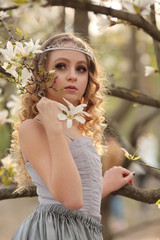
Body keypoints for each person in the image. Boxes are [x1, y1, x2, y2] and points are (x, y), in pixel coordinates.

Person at [11, 33, 134, 240]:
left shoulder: (75, 128)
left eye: (81, 69)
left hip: (82, 230)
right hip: (55, 232)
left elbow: (73, 193)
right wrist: (54, 129)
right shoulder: (34, 128)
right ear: (41, 75)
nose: (72, 76)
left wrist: (103, 185)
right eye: (61, 66)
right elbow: (71, 199)